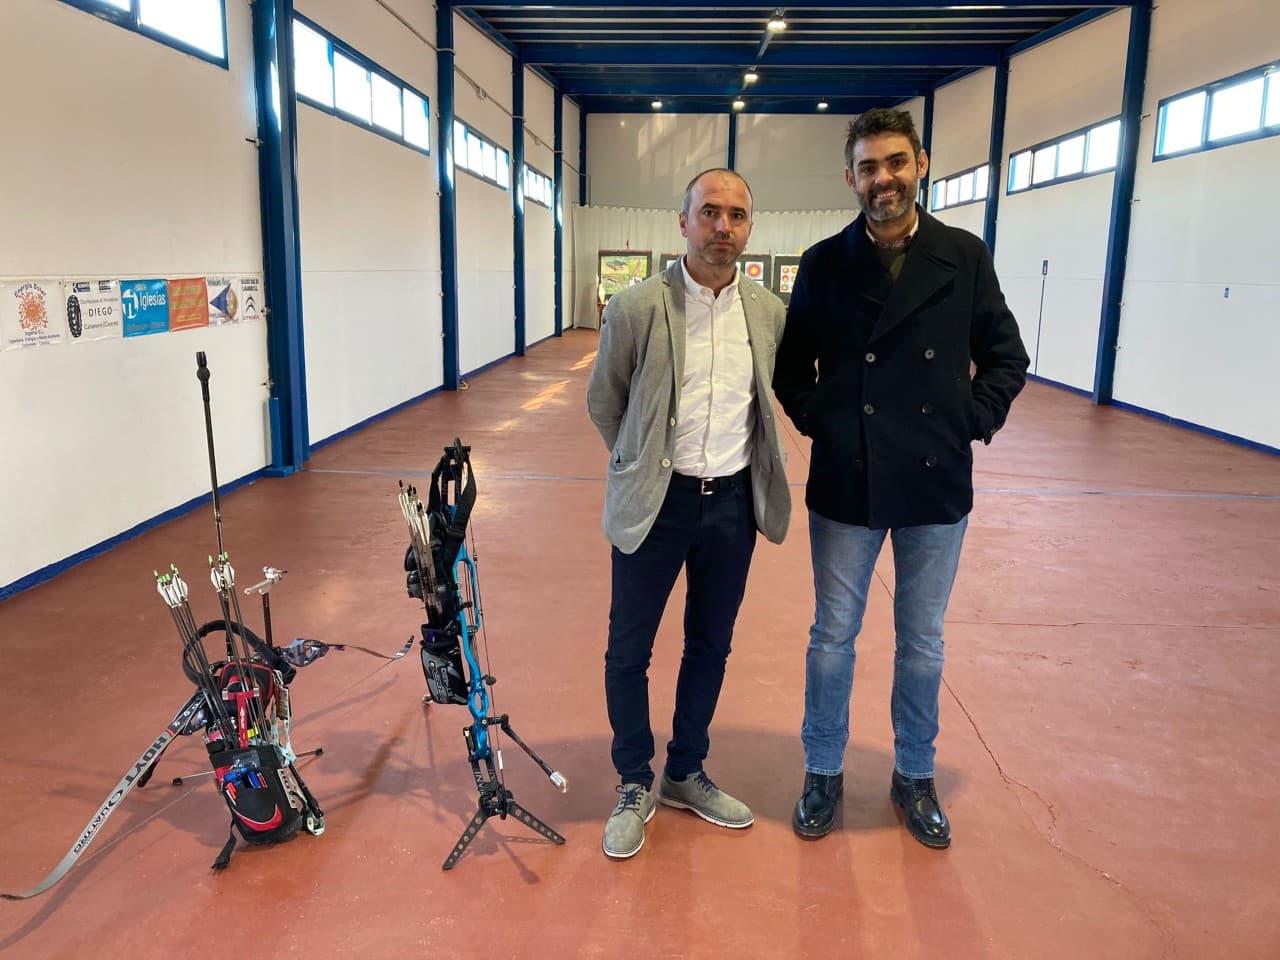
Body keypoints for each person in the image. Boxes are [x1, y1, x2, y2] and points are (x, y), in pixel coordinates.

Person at [772, 108, 1029, 848]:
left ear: (920, 163)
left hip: (935, 483)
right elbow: (794, 372)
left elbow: (1007, 358)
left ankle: (914, 773)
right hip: (847, 483)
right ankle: (823, 769)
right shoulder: (824, 262)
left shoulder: (964, 255)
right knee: (832, 637)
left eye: (894, 162)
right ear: (849, 177)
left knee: (922, 642)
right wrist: (833, 425)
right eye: (867, 167)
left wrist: (968, 421)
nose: (882, 178)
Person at [586, 168, 791, 860]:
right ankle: (633, 781)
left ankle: (685, 772)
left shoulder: (766, 312)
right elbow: (604, 402)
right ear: (683, 223)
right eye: (709, 213)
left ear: (749, 228)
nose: (723, 228)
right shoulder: (638, 306)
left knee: (710, 646)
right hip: (657, 506)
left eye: (736, 216)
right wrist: (641, 467)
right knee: (628, 650)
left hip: (731, 507)